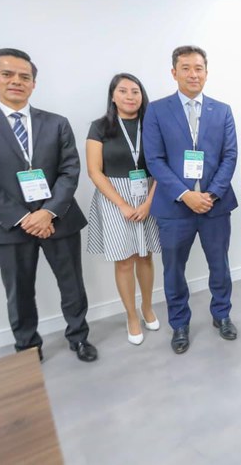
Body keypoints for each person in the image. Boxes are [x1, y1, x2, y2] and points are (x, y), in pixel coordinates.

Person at [0, 48, 97, 362]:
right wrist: (23, 217)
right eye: (8, 74)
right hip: (7, 225)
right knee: (19, 292)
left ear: (33, 84)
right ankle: (27, 347)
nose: (17, 81)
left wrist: (48, 211)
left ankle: (79, 337)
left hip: (58, 218)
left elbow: (70, 170)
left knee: (72, 284)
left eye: (25, 76)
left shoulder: (56, 123)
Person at [143, 45, 239, 354]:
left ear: (206, 73)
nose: (193, 73)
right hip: (174, 207)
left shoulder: (222, 110)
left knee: (220, 265)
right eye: (185, 68)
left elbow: (229, 156)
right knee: (173, 269)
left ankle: (221, 315)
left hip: (215, 206)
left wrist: (209, 195)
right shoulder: (157, 110)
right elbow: (154, 160)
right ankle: (180, 324)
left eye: (198, 68)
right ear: (174, 73)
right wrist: (186, 195)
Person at [86, 73, 162, 345]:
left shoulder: (152, 124)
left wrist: (149, 202)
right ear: (113, 96)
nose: (130, 96)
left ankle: (148, 307)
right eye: (123, 91)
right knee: (125, 259)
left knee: (146, 256)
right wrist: (123, 204)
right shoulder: (99, 127)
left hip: (150, 192)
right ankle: (131, 315)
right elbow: (94, 171)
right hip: (113, 197)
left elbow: (163, 163)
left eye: (136, 91)